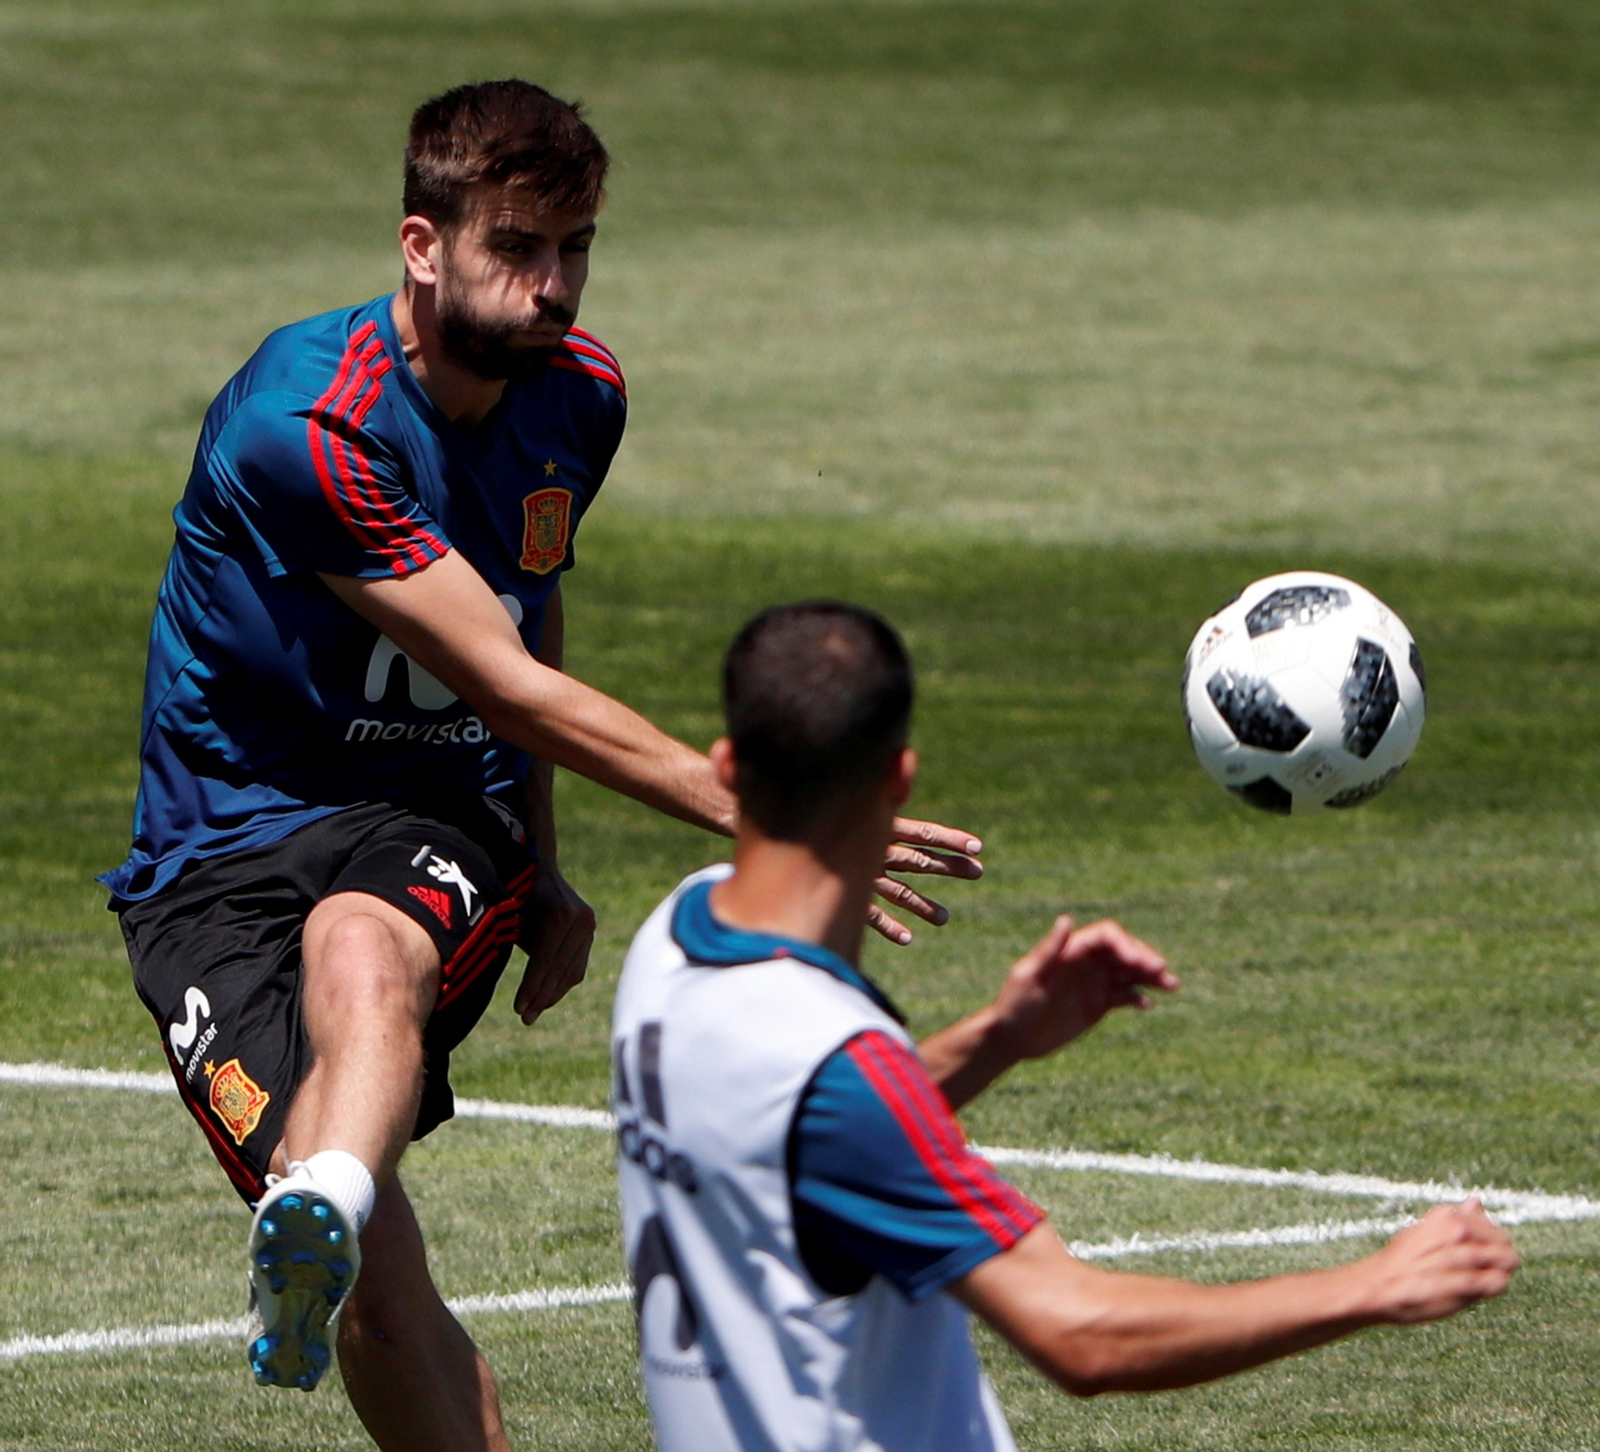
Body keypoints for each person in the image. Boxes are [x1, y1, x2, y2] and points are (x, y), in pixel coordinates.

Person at [100, 82, 980, 1451]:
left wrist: (544, 859)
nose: (554, 285)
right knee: (381, 1297)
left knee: (359, 948)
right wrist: (777, 825)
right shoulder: (308, 423)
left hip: (429, 812)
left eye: (575, 249)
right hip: (213, 858)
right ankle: (331, 1213)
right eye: (517, 248)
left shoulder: (581, 395)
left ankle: (324, 1193)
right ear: (421, 245)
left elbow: (527, 599)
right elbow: (504, 677)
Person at [612, 600, 1520, 1452]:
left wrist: (1000, 1037)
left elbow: (782, 1128)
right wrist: (1372, 1285)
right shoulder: (841, 1070)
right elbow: (1079, 1333)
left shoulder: (670, 945)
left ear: (725, 765)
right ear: (899, 778)